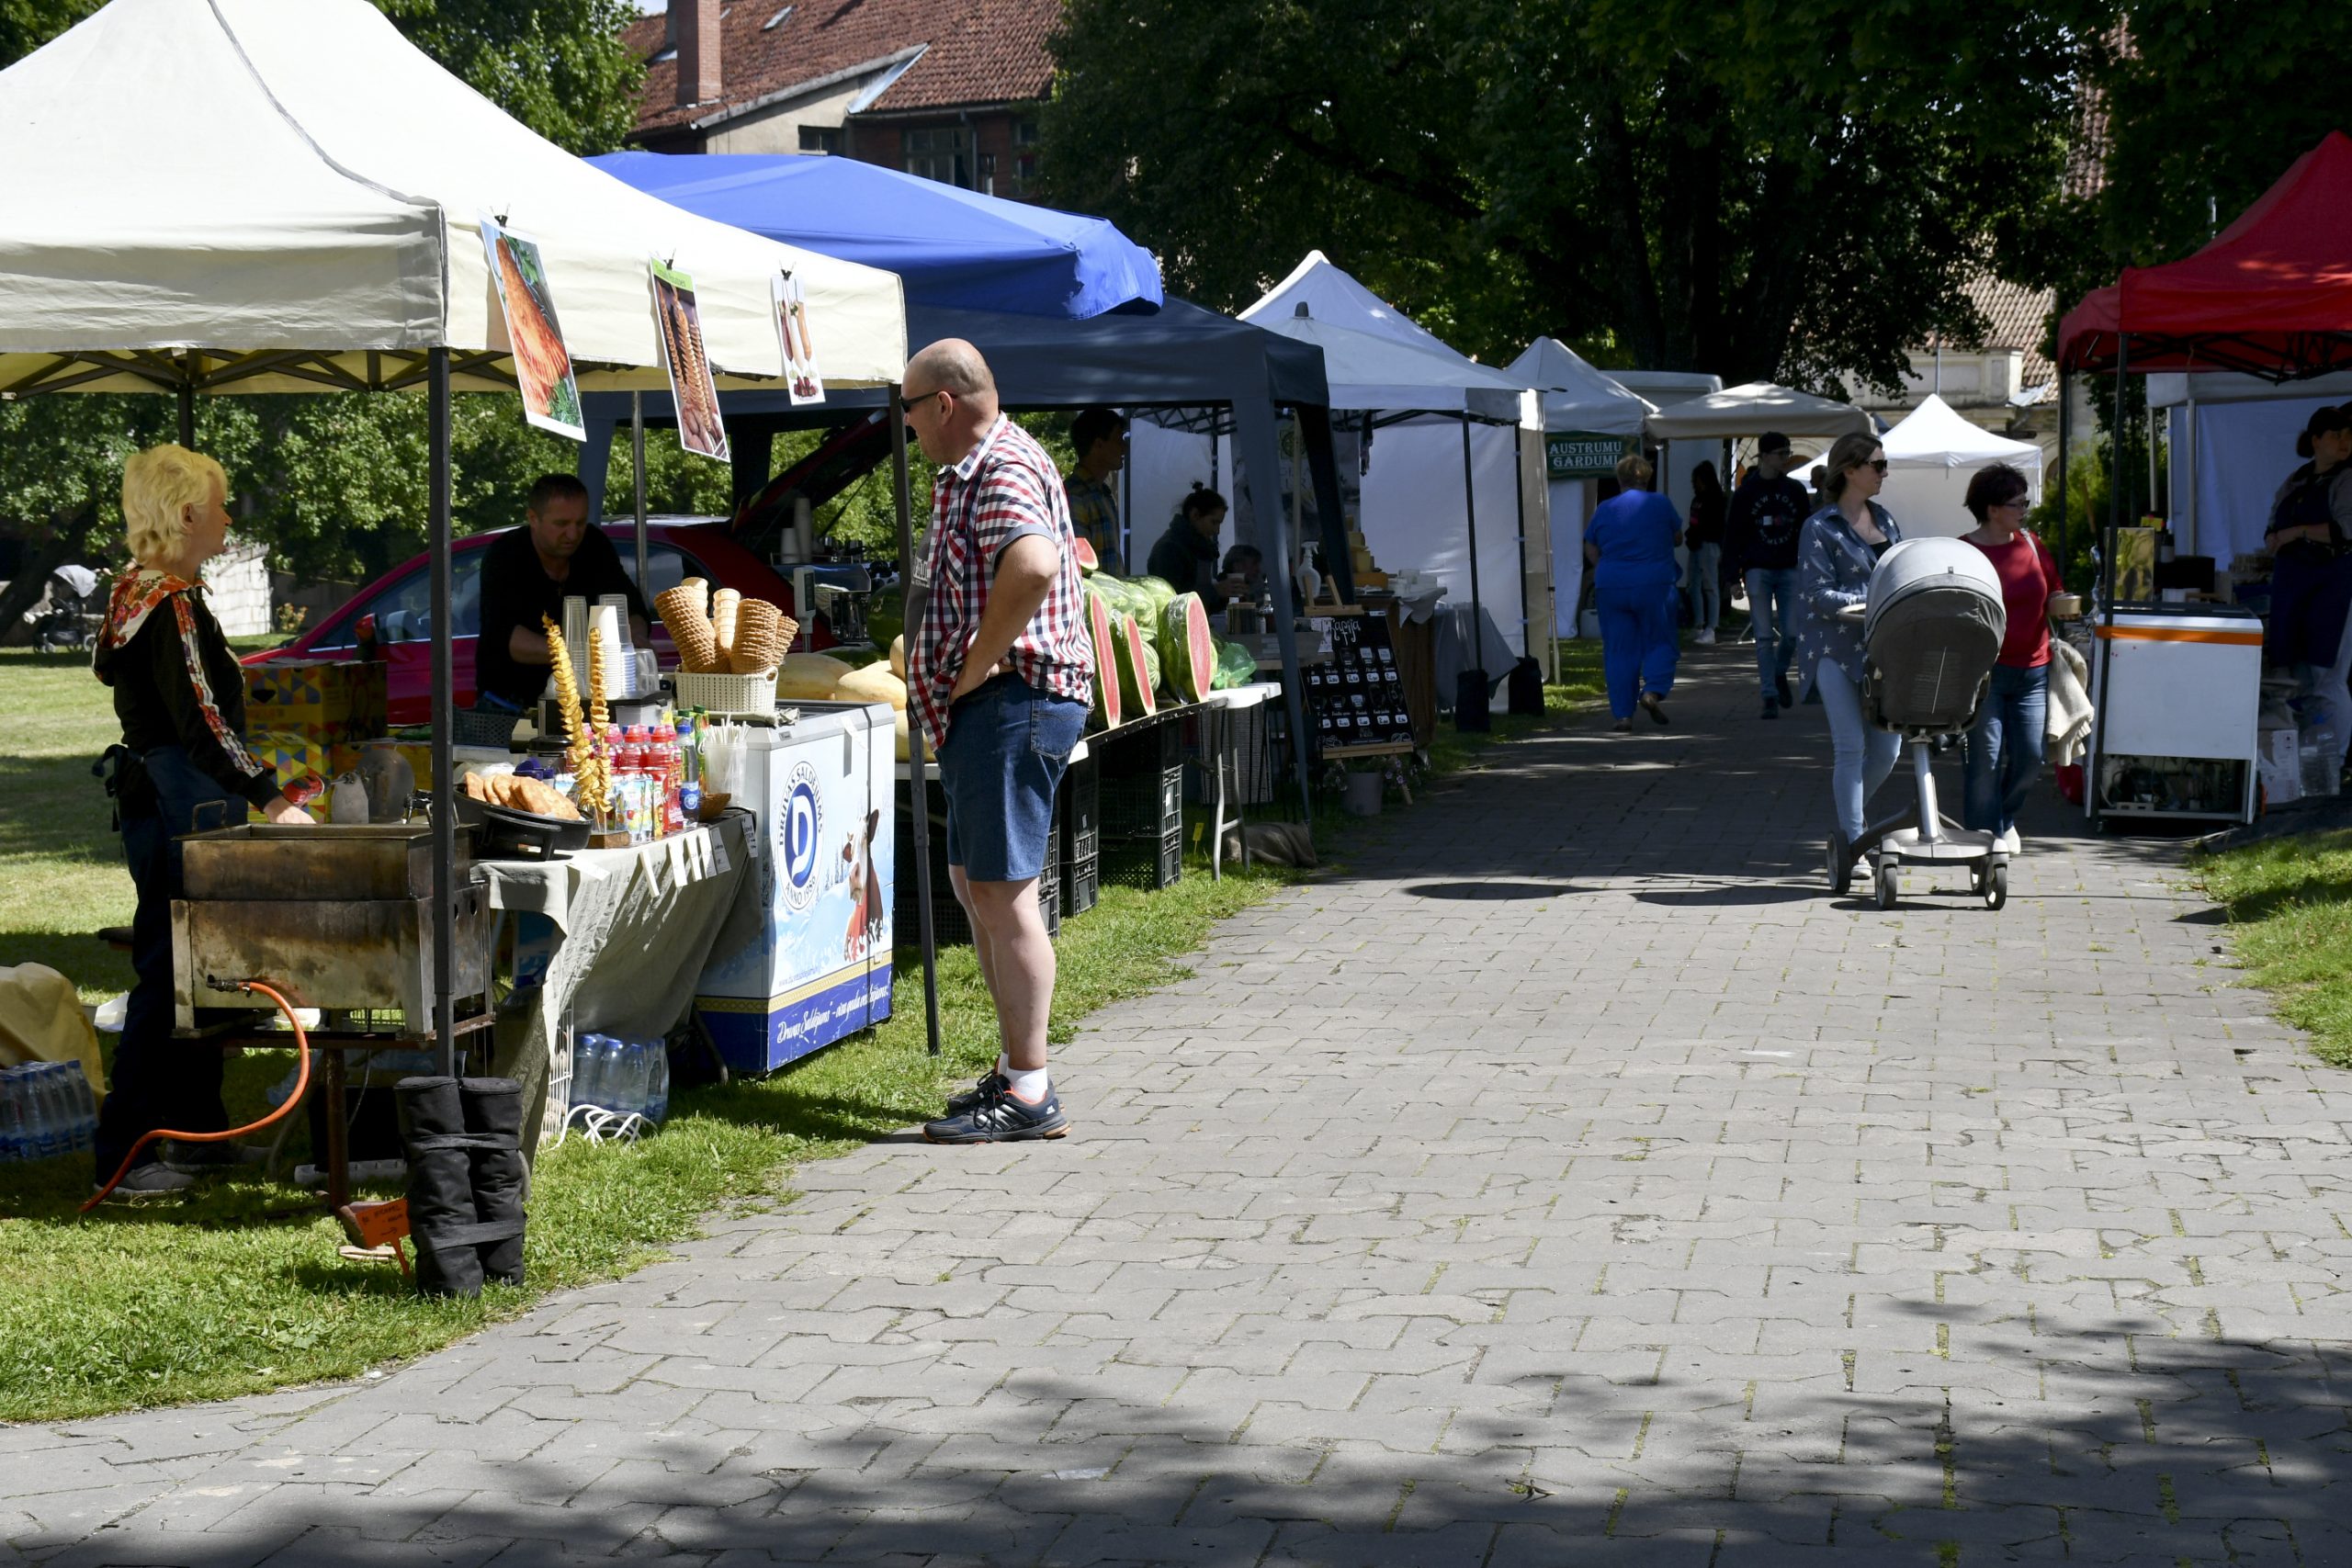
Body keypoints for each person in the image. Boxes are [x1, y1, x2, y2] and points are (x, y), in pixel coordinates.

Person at [90, 446, 316, 1198]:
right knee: (167, 974)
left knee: (200, 969)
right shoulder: (170, 601)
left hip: (163, 800)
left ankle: (196, 1133)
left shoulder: (137, 591)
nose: (226, 518)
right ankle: (123, 1155)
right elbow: (204, 722)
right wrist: (272, 797)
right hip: (175, 802)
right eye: (220, 505)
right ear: (188, 514)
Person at [900, 340, 1094, 1143]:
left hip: (1013, 700)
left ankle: (1029, 1089)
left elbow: (1036, 564)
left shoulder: (999, 466)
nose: (908, 425)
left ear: (944, 404)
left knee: (1003, 896)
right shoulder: (978, 466)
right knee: (976, 884)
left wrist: (976, 664)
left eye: (910, 409)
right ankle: (1017, 1069)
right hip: (997, 706)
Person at [1797, 433, 1904, 865]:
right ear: (1850, 470)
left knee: (1888, 751)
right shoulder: (1819, 527)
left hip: (1882, 647)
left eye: (1884, 464)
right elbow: (1817, 594)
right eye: (1878, 465)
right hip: (1833, 648)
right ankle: (1855, 845)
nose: (1884, 473)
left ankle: (1848, 829)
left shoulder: (1887, 519)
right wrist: (1872, 600)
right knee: (1850, 746)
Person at [474, 473, 650, 714]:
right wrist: (583, 655)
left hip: (584, 702)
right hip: (509, 705)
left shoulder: (594, 545)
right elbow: (506, 638)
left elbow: (630, 604)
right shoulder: (506, 555)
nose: (573, 534)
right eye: (561, 524)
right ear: (533, 518)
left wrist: (635, 640)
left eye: (580, 523)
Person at [1958, 464, 2065, 853]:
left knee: (2030, 757)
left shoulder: (2032, 544)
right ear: (1991, 509)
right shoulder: (1964, 552)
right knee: (1985, 760)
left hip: (2034, 670)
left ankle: (2004, 818)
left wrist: (2063, 603)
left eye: (2025, 502)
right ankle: (1983, 840)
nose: (2024, 510)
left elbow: (2054, 590)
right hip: (1984, 674)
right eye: (2016, 504)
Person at [1583, 452, 1682, 731]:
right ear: (1647, 478)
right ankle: (1653, 690)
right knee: (1660, 640)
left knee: (1618, 650)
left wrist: (1605, 567)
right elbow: (1677, 538)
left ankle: (1623, 715)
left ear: (1619, 479)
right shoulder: (1660, 503)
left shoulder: (1605, 508)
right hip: (1654, 584)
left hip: (1611, 585)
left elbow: (1590, 546)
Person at [1724, 432, 1814, 719]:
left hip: (1789, 568)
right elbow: (1733, 535)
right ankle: (1769, 696)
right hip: (1757, 569)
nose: (1785, 458)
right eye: (1780, 453)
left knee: (1792, 633)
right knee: (1763, 637)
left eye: (1788, 452)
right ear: (1763, 456)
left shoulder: (1795, 490)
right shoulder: (1746, 492)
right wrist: (1732, 577)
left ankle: (1778, 672)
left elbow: (1807, 532)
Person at [2264, 404, 2352, 673]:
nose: (2345, 442)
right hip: (2290, 585)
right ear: (2316, 440)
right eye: (2336, 435)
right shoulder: (2297, 479)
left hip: (2329, 585)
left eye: (2348, 435)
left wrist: (2297, 531)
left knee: (2322, 670)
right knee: (2287, 662)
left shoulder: (2347, 478)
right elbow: (2273, 518)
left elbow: (2347, 529)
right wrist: (2272, 538)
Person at [1146, 483, 1250, 612]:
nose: (1217, 531)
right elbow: (1171, 601)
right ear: (1195, 515)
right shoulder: (1169, 549)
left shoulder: (1197, 548)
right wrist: (1215, 591)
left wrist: (1227, 594)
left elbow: (1204, 604)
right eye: (1214, 522)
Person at [1064, 406, 1129, 575]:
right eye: (1118, 439)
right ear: (1099, 445)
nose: (1125, 447)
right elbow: (1078, 567)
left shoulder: (1104, 494)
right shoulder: (1075, 496)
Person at [1685, 459, 1726, 644]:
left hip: (1709, 544)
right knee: (1693, 585)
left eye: (1697, 480)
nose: (1694, 484)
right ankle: (1699, 624)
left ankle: (1712, 627)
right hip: (1696, 544)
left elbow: (1716, 526)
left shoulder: (1716, 499)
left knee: (1710, 585)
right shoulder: (1697, 499)